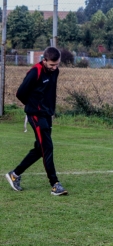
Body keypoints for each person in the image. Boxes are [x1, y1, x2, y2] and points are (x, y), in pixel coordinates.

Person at [5, 46, 68, 196]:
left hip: (46, 114)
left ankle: (14, 174)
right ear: (44, 60)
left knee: (40, 148)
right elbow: (20, 93)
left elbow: (50, 93)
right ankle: (55, 184)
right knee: (47, 147)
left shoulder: (55, 71)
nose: (55, 67)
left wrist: (50, 111)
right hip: (35, 115)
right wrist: (33, 106)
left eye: (57, 64)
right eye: (52, 64)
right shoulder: (35, 72)